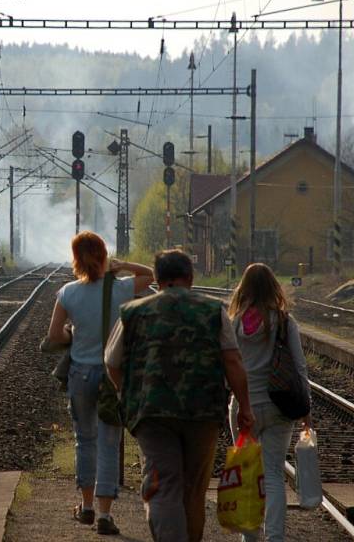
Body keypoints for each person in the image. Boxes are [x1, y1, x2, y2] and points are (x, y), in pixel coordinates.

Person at [105, 249, 254, 542]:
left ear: (157, 279)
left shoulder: (133, 312)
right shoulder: (213, 311)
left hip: (152, 413)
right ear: (191, 277)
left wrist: (127, 392)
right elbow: (233, 361)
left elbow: (112, 362)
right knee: (194, 488)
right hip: (203, 413)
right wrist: (244, 406)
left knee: (164, 484)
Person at [47, 231, 154, 535]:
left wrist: (71, 335)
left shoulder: (67, 292)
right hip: (112, 374)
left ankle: (87, 506)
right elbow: (150, 275)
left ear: (75, 259)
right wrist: (122, 265)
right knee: (110, 443)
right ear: (104, 256)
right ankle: (105, 514)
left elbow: (55, 336)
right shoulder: (120, 288)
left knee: (85, 439)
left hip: (80, 372)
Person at [227, 263, 312, 542]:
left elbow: (227, 364)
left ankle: (249, 538)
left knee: (248, 474)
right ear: (274, 287)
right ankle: (275, 538)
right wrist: (306, 409)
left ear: (244, 288)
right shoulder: (285, 322)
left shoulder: (236, 322)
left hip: (243, 407)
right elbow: (300, 368)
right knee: (274, 474)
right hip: (279, 407)